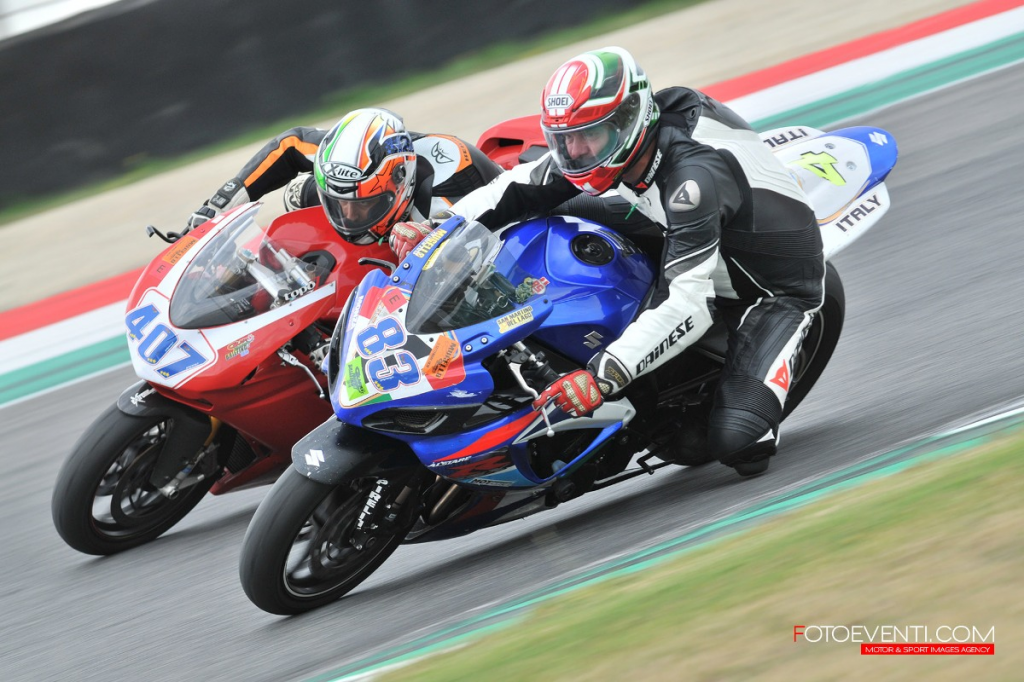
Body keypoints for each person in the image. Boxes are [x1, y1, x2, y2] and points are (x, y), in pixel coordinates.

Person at [406, 47, 825, 477]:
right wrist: (440, 231)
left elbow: (688, 303)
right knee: (544, 207)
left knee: (739, 446)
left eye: (588, 136)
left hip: (766, 290)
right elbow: (520, 185)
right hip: (673, 222)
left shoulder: (692, 180)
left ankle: (765, 364)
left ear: (628, 121)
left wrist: (600, 377)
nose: (575, 151)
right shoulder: (618, 144)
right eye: (565, 139)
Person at [186, 107, 503, 259]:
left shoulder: (450, 184)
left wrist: (432, 236)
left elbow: (484, 260)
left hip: (485, 226)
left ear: (399, 183)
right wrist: (218, 206)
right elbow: (291, 143)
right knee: (297, 195)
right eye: (339, 205)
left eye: (364, 206)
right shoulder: (346, 161)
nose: (348, 217)